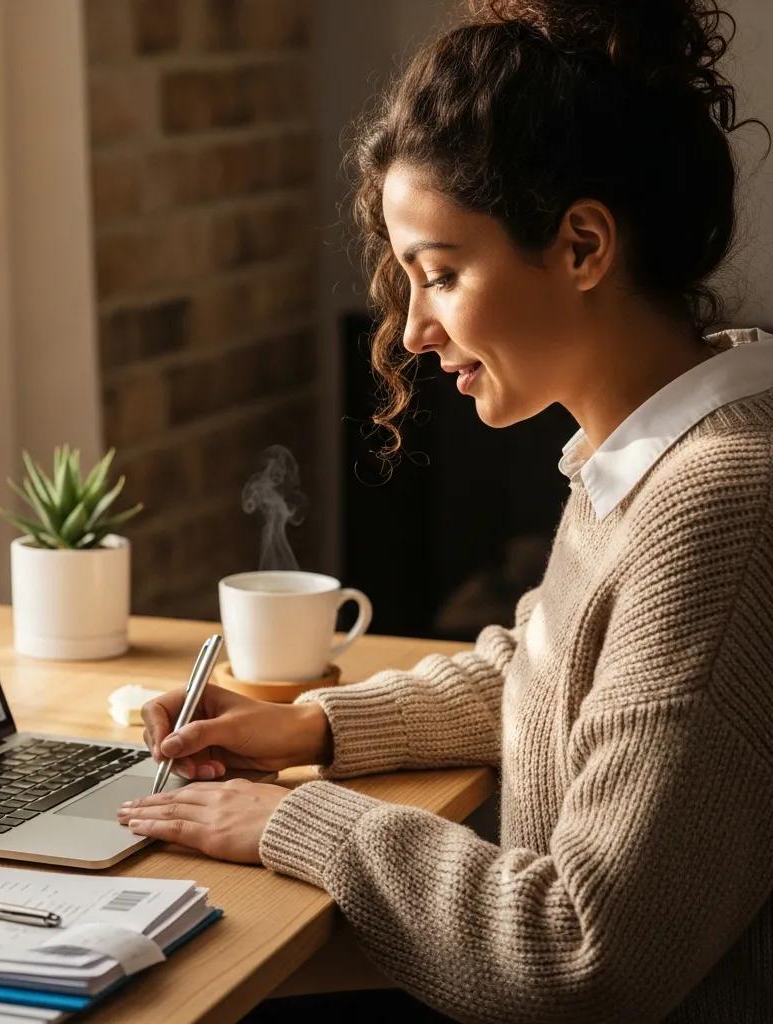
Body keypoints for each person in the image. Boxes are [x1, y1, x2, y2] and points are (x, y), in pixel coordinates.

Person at [117, 1, 773, 1020]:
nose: (416, 329)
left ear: (583, 245)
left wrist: (298, 822)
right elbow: (548, 672)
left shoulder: (718, 502)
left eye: (441, 274)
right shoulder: (645, 454)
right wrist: (306, 725)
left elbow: (581, 953)